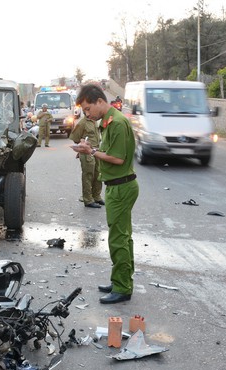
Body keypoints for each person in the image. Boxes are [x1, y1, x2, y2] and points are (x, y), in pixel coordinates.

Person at [73, 83, 138, 304]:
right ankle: (121, 280)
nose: (87, 114)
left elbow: (118, 158)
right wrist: (90, 150)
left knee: (118, 239)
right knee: (123, 237)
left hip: (120, 187)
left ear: (99, 101)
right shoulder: (109, 122)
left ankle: (122, 288)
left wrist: (91, 151)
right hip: (118, 185)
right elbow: (110, 152)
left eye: (88, 109)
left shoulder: (117, 123)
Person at [70, 115, 104, 208]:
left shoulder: (95, 120)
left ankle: (96, 196)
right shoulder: (82, 123)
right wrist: (83, 145)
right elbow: (75, 138)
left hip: (96, 151)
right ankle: (88, 199)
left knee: (98, 174)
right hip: (86, 153)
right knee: (88, 175)